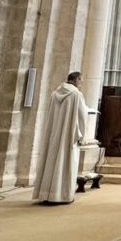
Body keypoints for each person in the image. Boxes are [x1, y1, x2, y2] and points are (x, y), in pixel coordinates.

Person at [33, 71, 89, 204]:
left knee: (51, 162)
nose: (81, 84)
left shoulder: (54, 94)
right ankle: (61, 195)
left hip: (54, 134)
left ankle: (46, 194)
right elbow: (82, 116)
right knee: (65, 163)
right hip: (68, 135)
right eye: (81, 81)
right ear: (75, 80)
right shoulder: (76, 94)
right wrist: (82, 136)